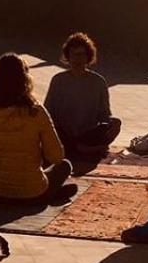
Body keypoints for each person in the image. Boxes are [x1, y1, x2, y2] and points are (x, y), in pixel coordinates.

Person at [0, 53, 74, 202]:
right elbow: (56, 156)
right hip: (31, 192)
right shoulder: (36, 112)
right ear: (25, 79)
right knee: (65, 166)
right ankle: (50, 194)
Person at [43, 32, 121, 172]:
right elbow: (47, 111)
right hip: (63, 133)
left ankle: (81, 147)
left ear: (88, 57)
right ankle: (83, 148)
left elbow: (104, 114)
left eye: (81, 55)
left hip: (87, 133)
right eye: (74, 55)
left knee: (116, 123)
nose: (77, 59)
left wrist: (110, 124)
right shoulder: (58, 80)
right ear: (68, 57)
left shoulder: (98, 82)